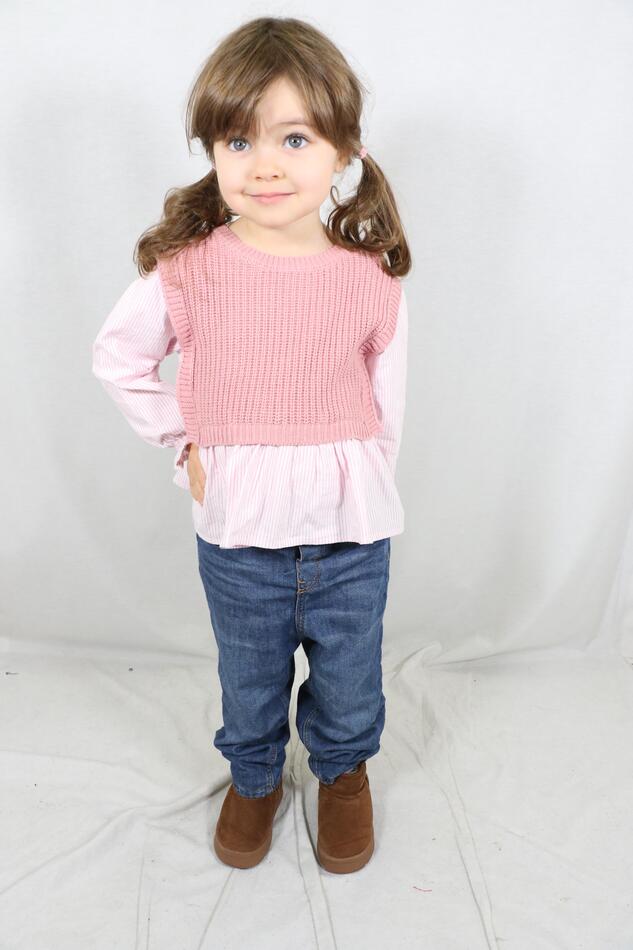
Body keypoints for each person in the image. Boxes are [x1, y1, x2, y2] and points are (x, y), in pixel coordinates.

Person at [92, 16, 411, 875]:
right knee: (248, 674)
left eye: (293, 139)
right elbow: (118, 358)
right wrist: (182, 442)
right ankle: (256, 777)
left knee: (350, 674)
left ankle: (343, 774)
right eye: (239, 141)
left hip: (350, 535)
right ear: (213, 153)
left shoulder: (369, 279)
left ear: (342, 151)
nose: (265, 164)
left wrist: (366, 483)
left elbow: (386, 408)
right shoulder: (188, 270)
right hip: (239, 537)